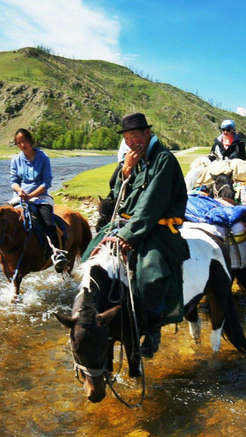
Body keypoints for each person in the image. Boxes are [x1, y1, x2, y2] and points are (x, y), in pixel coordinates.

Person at [94, 113, 189, 358]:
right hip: (130, 223)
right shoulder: (136, 160)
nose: (130, 142)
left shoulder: (163, 160)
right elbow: (119, 197)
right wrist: (125, 172)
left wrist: (126, 236)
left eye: (134, 136)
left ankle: (154, 328)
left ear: (147, 133)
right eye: (126, 138)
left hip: (157, 227)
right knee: (90, 253)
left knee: (151, 274)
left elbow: (151, 204)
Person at [10, 128, 69, 272]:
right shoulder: (16, 160)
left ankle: (57, 254)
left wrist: (31, 195)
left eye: (24, 141)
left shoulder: (43, 158)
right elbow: (14, 181)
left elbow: (46, 183)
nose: (22, 145)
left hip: (40, 197)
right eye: (19, 143)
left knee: (48, 223)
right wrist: (19, 191)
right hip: (21, 196)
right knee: (6, 221)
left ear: (30, 140)